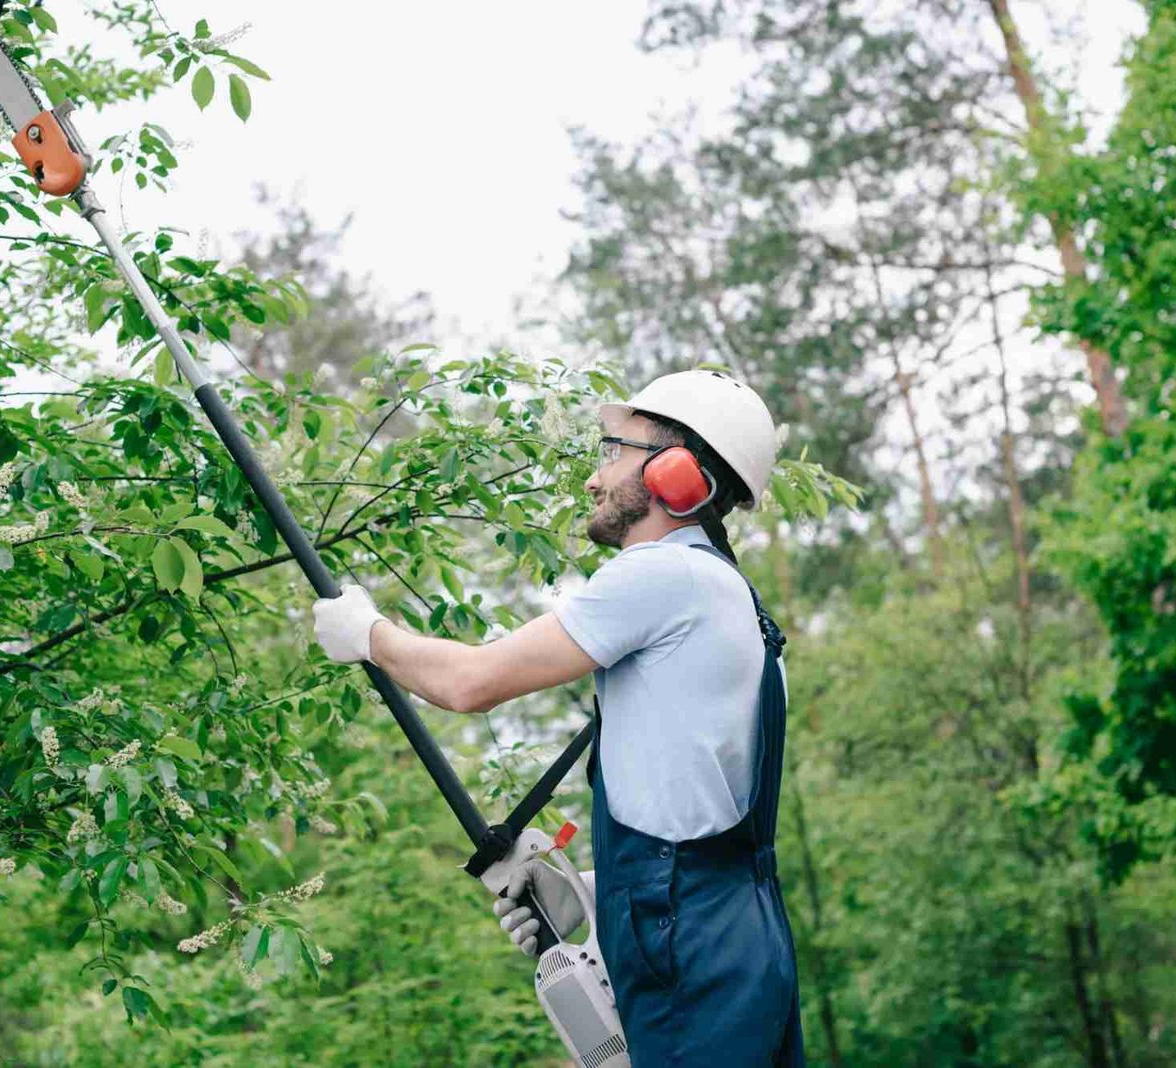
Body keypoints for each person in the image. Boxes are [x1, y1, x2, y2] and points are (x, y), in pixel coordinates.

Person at [312, 369, 806, 1066]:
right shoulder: (732, 601)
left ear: (677, 473)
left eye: (612, 451)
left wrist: (366, 633)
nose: (593, 479)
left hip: (687, 946)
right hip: (734, 939)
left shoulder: (662, 576)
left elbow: (468, 682)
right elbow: (701, 814)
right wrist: (601, 893)